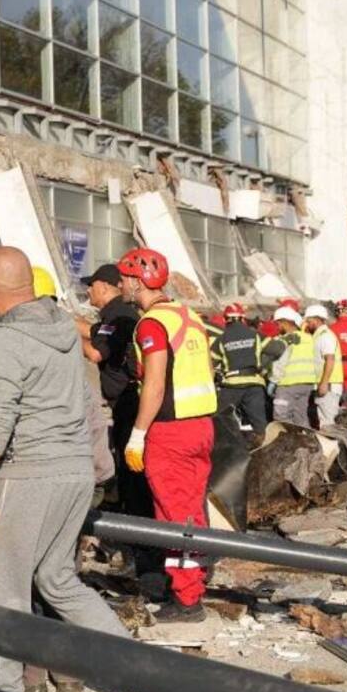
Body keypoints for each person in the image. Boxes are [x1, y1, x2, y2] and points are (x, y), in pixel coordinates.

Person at [0, 247, 161, 692]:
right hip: (75, 473)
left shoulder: (2, 340)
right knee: (58, 580)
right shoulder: (64, 325)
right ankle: (145, 680)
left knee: (5, 592)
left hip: (30, 475)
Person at [118, 247, 216, 624]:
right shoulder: (188, 316)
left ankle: (188, 599)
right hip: (201, 425)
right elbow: (207, 368)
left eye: (126, 277)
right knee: (192, 509)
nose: (122, 283)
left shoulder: (151, 324)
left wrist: (137, 435)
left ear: (138, 280)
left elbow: (154, 385)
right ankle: (196, 579)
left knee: (174, 516)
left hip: (170, 431)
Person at [75, 263, 152, 522]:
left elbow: (97, 351)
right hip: (123, 401)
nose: (88, 290)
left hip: (129, 401)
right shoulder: (113, 315)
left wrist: (67, 330)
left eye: (92, 285)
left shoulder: (119, 315)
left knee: (132, 470)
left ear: (105, 286)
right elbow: (95, 334)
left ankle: (137, 526)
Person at [214, 303, 268, 437]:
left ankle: (224, 450)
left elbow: (211, 362)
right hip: (254, 384)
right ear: (242, 318)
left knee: (219, 419)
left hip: (232, 386)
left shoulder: (221, 339)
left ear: (225, 319)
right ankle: (264, 447)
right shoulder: (255, 335)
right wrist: (263, 366)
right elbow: (277, 348)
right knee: (260, 424)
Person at [262, 306, 315, 427]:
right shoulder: (310, 339)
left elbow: (279, 363)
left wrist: (273, 381)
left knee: (281, 417)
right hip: (307, 385)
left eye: (278, 323)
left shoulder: (284, 340)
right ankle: (305, 442)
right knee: (300, 418)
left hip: (287, 384)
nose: (277, 327)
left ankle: (289, 442)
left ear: (284, 322)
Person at [303, 304, 344, 427]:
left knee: (328, 423)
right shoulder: (319, 336)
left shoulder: (325, 336)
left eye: (309, 321)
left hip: (329, 385)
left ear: (316, 320)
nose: (307, 324)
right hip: (326, 384)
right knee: (324, 422)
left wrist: (324, 383)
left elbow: (329, 360)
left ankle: (332, 446)